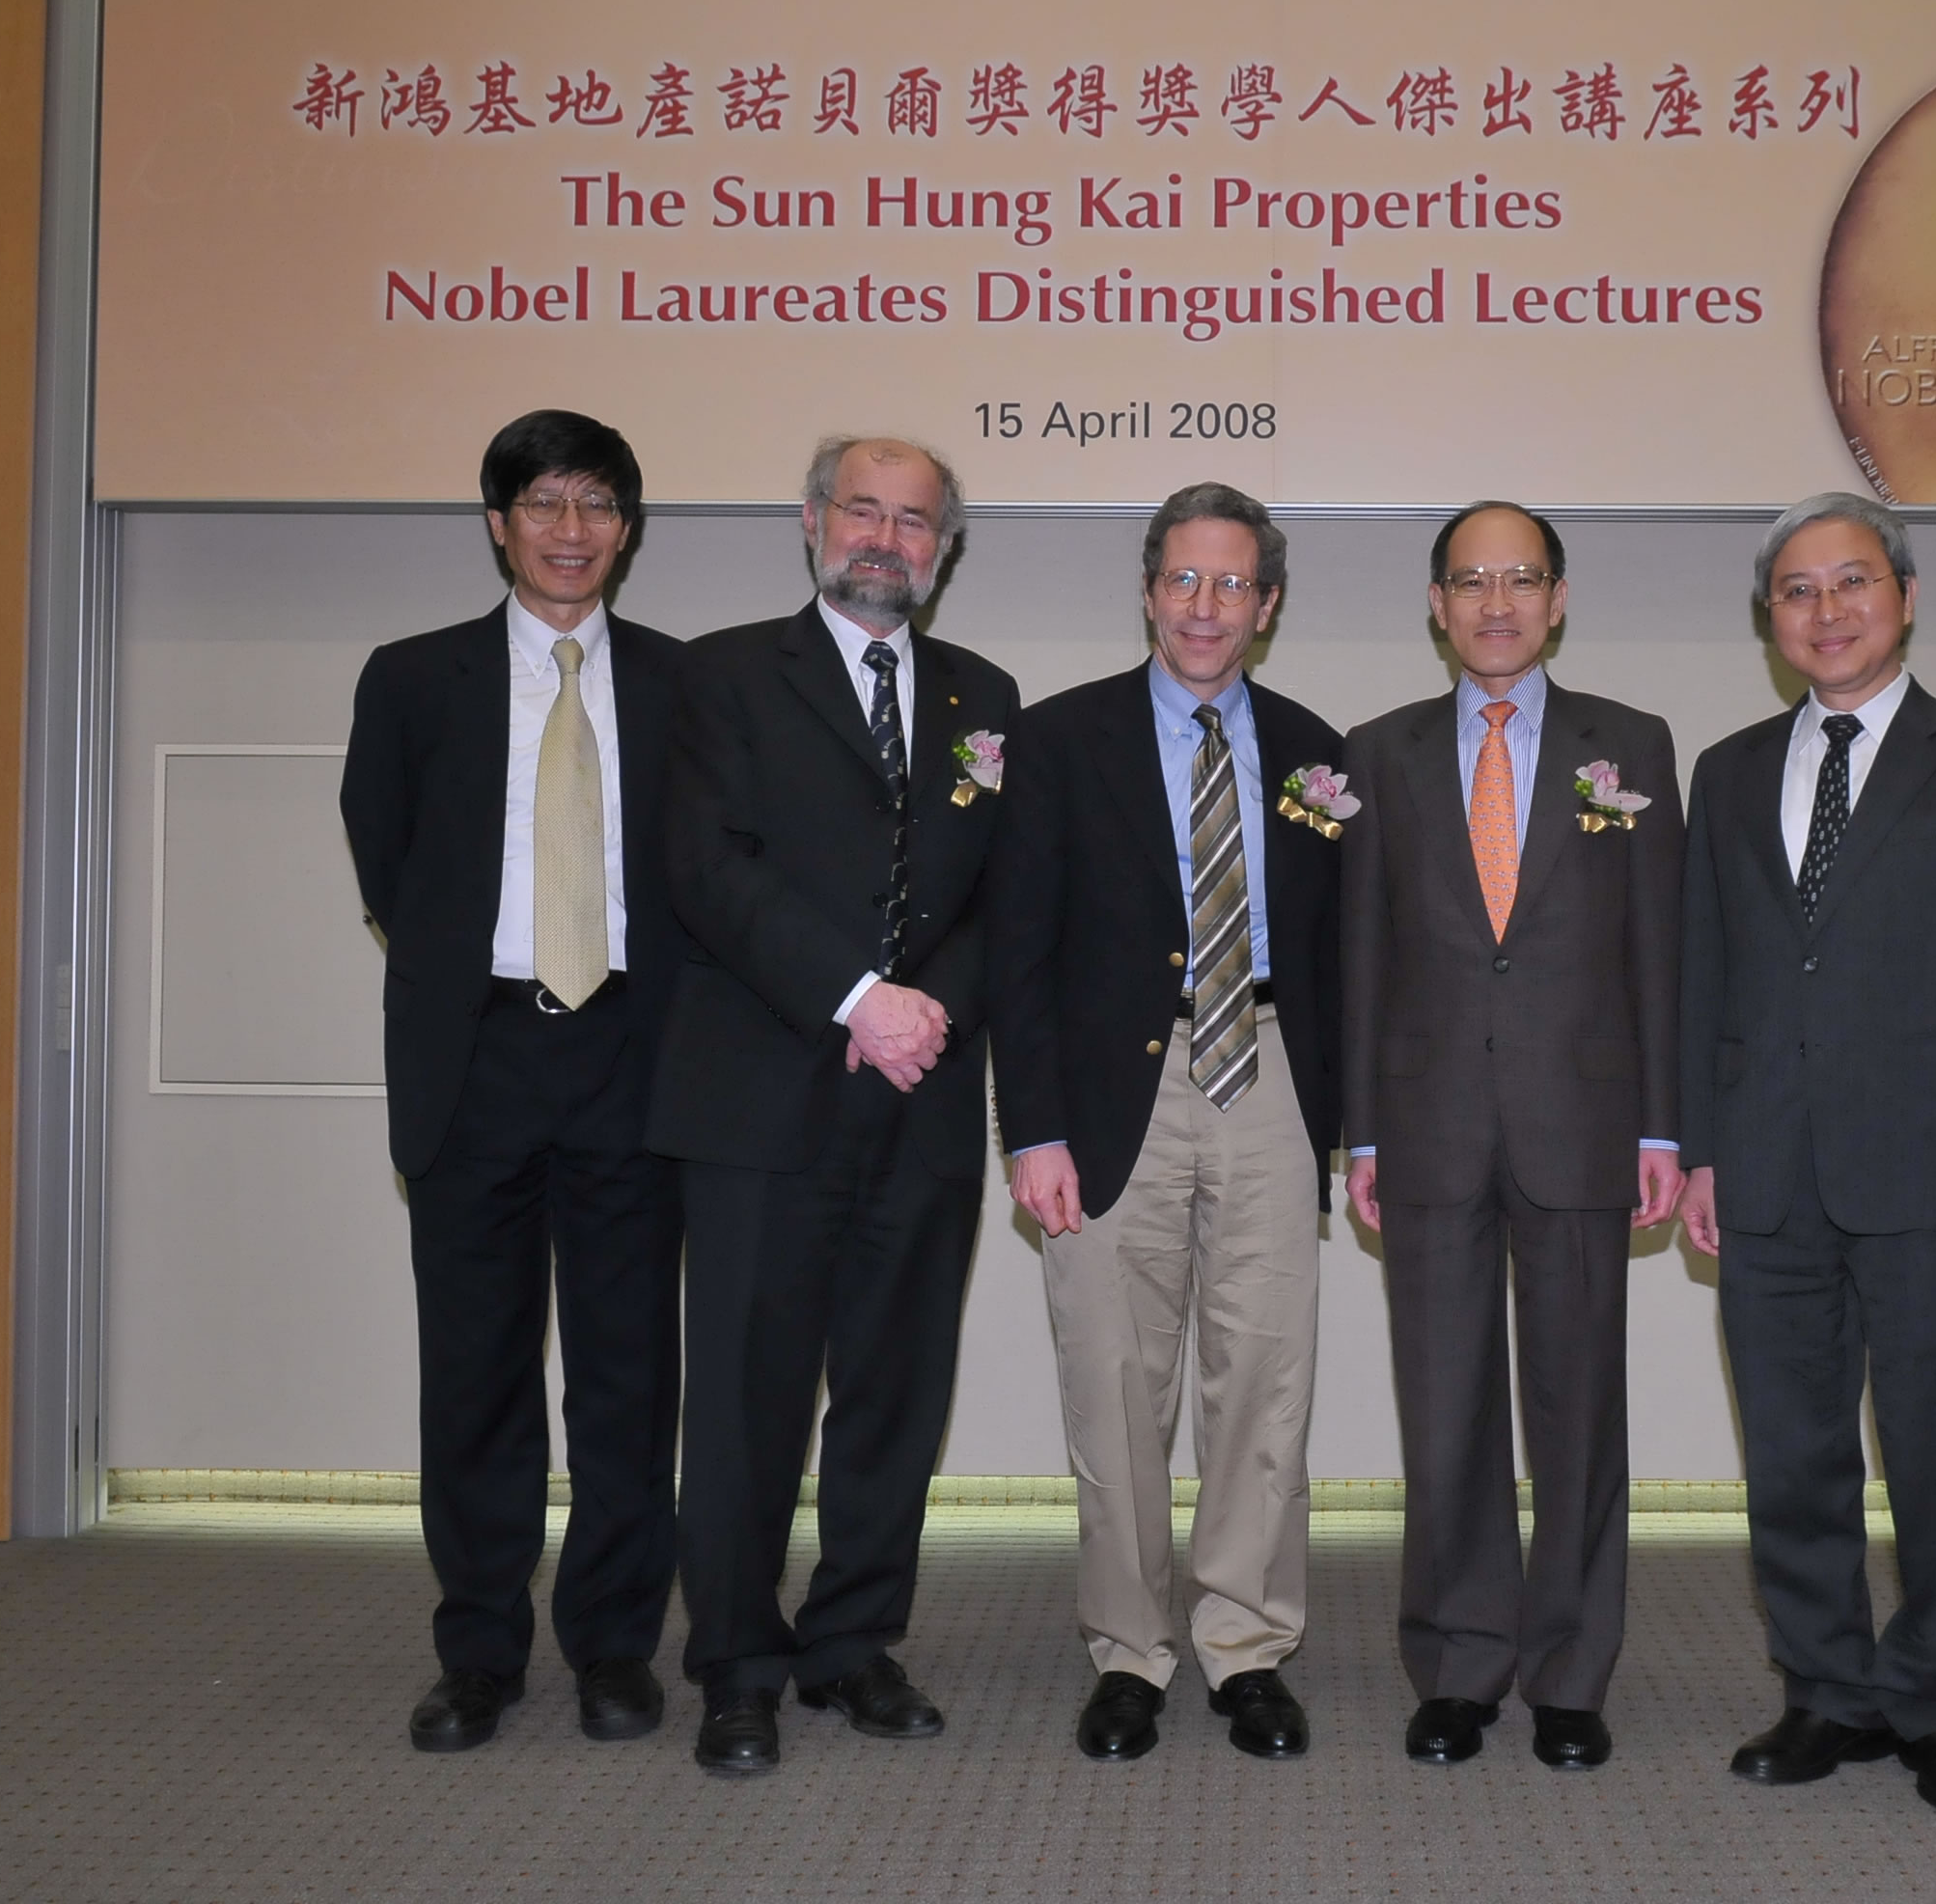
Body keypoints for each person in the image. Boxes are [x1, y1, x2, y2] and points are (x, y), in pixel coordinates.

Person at [1676, 491, 1936, 1816]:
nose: (1827, 610)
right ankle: (1827, 1692)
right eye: (1797, 590)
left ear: (1903, 597)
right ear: (1769, 619)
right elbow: (1707, 980)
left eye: (1852, 582)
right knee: (1794, 1457)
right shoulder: (1728, 771)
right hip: (1772, 1174)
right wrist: (1702, 1151)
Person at [647, 435, 1019, 1776]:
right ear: (812, 523)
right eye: (863, 509)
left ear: (945, 548)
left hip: (922, 1100)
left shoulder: (987, 697)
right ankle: (738, 1665)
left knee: (893, 1392)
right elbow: (706, 868)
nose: (886, 537)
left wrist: (928, 1013)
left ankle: (854, 1641)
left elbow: (994, 898)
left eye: (915, 521)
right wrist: (859, 997)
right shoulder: (725, 673)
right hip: (762, 1098)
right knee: (749, 1400)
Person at [338, 408, 688, 1753]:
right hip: (476, 1057)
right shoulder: (412, 678)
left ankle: (611, 1645)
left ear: (627, 529)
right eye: (542, 503)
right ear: (497, 521)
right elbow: (388, 859)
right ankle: (478, 1651)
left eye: (597, 505)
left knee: (622, 1374)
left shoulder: (677, 685)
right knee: (474, 1371)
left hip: (630, 1056)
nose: (569, 530)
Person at [988, 483, 1344, 1764]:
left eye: (1233, 584)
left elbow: (1342, 951)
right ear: (1148, 592)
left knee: (1264, 1384)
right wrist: (1029, 1128)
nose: (1206, 607)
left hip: (1272, 1077)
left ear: (1269, 603)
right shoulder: (1059, 739)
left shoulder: (1315, 752)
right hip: (1102, 1101)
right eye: (1183, 581)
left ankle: (1248, 1648)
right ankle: (1129, 1654)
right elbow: (1015, 954)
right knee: (1114, 1382)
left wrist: (1349, 1130)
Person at [1339, 502, 1684, 1772]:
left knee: (1580, 1406)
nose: (1496, 602)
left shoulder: (1630, 743)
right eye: (1471, 581)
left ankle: (1574, 1672)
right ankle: (1461, 1663)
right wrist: (1360, 1132)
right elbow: (1361, 952)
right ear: (1436, 604)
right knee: (1446, 1410)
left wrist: (1664, 1123)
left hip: (1587, 1123)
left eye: (1520, 579)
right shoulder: (1382, 753)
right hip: (1425, 1126)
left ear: (1558, 597)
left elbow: (1663, 946)